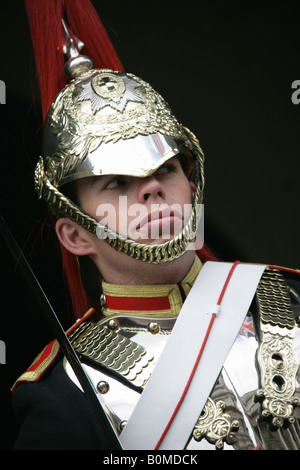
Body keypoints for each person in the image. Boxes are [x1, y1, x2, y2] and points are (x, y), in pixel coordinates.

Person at [11, 0, 300, 450]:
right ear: (75, 234)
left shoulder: (291, 300)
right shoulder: (65, 394)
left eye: (165, 168)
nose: (152, 189)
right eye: (118, 182)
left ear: (191, 180)